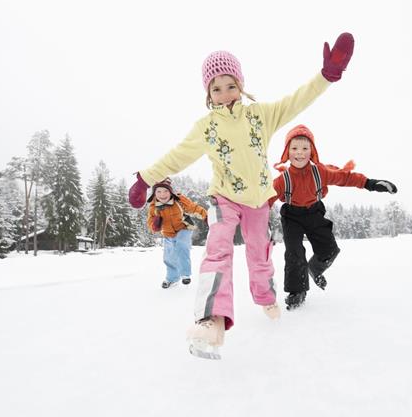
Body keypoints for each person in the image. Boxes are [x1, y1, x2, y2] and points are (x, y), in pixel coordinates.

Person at [128, 32, 355, 359]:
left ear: (241, 84)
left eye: (230, 85)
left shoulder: (259, 115)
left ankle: (265, 297)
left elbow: (295, 101)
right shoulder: (206, 127)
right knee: (217, 249)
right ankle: (210, 320)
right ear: (208, 93)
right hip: (224, 198)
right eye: (215, 89)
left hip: (258, 201)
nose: (224, 94)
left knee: (259, 257)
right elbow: (177, 155)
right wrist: (145, 178)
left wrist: (326, 76)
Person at [270, 124, 397, 309]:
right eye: (294, 148)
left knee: (329, 250)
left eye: (305, 148)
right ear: (287, 152)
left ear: (312, 151)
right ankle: (297, 291)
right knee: (294, 253)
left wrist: (371, 183)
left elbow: (345, 177)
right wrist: (250, 217)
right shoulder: (282, 180)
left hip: (314, 212)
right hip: (292, 216)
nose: (300, 153)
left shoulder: (320, 172)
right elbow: (264, 200)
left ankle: (314, 268)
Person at [146, 178, 207, 289]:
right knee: (169, 257)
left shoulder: (179, 200)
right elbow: (150, 221)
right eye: (158, 191)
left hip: (184, 228)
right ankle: (172, 278)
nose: (162, 194)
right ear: (154, 193)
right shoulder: (154, 206)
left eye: (165, 191)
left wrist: (205, 215)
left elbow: (193, 207)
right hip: (168, 233)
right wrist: (154, 226)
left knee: (181, 245)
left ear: (170, 192)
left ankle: (185, 274)